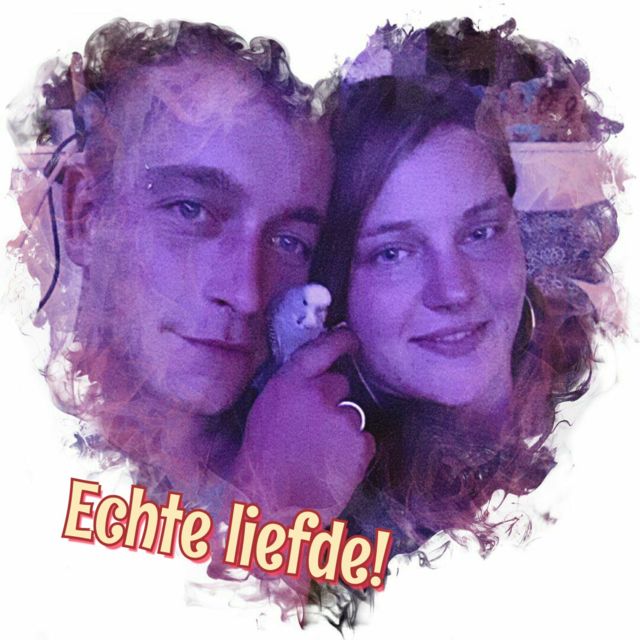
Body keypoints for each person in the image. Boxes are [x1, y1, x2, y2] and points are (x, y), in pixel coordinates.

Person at [10, 19, 373, 517]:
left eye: (290, 241)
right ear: (84, 213)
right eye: (191, 210)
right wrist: (272, 508)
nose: (247, 294)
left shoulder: (346, 466)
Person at [310, 21, 620, 557]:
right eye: (393, 253)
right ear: (336, 287)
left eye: (480, 233)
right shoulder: (326, 529)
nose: (453, 290)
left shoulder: (608, 424)